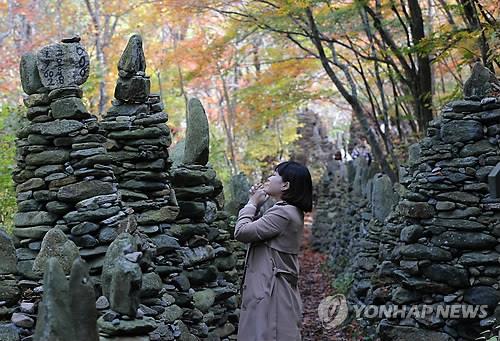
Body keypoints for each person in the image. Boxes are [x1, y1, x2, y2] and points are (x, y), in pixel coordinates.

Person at [234, 160, 313, 341]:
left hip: (271, 292)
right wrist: (258, 206)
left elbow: (241, 232)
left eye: (275, 174)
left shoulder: (283, 214)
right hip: (272, 288)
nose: (269, 178)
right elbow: (264, 232)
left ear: (285, 185)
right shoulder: (289, 211)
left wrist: (252, 203)